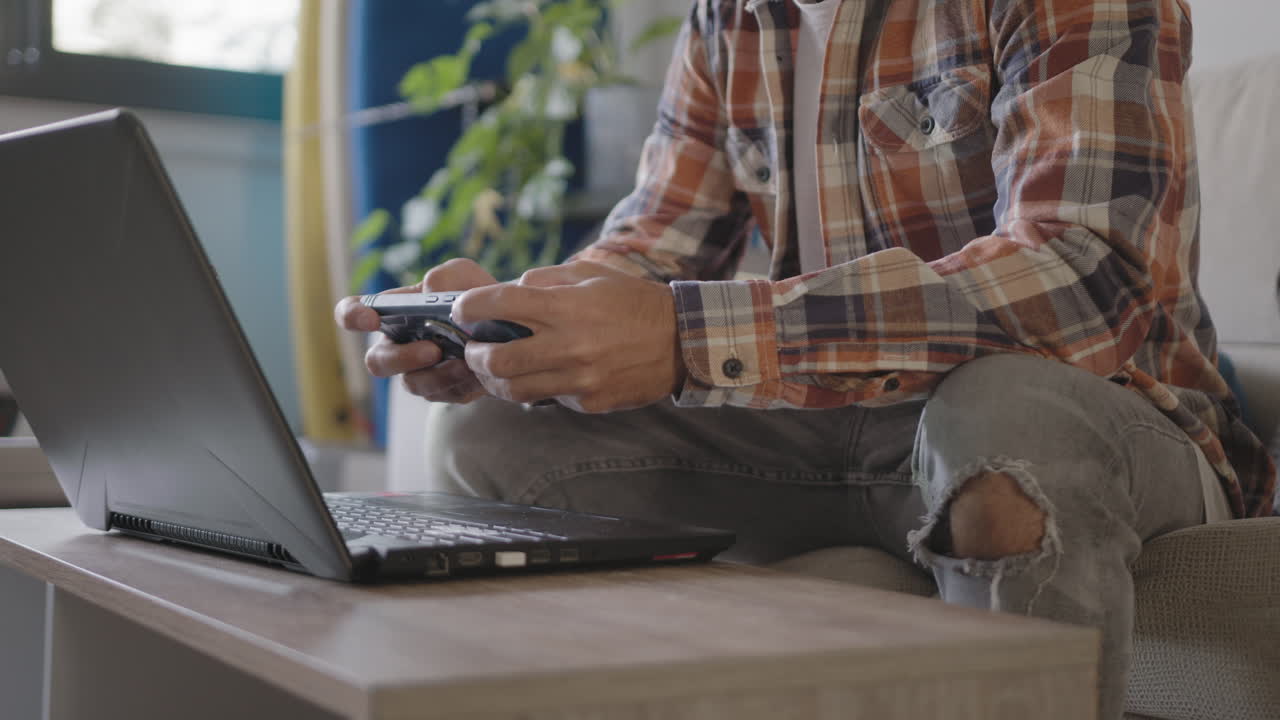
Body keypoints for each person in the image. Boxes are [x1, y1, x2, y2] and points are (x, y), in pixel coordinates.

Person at [337, 1, 1276, 717]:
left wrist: (686, 336)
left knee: (1002, 414)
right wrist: (521, 331)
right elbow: (654, 244)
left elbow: (1084, 276)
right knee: (494, 429)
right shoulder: (731, 16)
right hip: (844, 431)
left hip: (1104, 418)